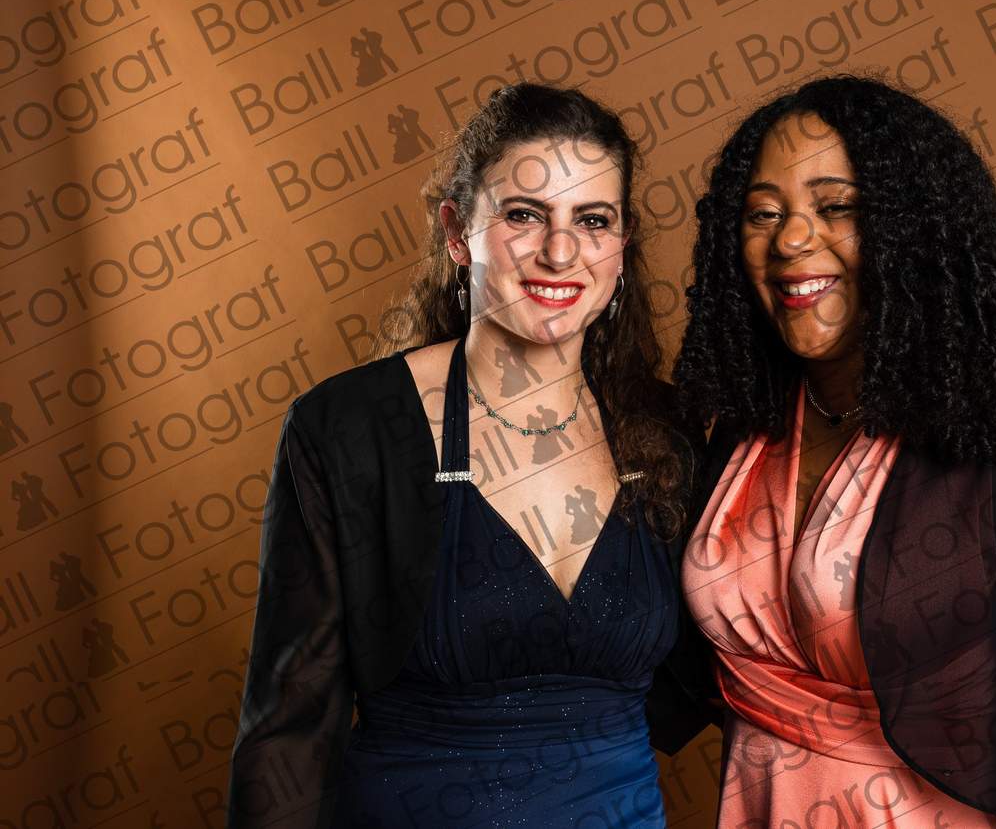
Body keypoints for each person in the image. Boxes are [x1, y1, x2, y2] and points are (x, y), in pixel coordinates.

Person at [226, 83, 720, 828]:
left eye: (592, 220)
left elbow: (721, 661)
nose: (560, 251)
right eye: (524, 214)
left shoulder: (668, 430)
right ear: (459, 233)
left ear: (621, 246)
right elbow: (289, 730)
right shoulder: (351, 427)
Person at [673, 73, 996, 828]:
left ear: (917, 233)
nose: (790, 240)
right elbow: (652, 672)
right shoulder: (744, 436)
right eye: (764, 213)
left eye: (837, 207)